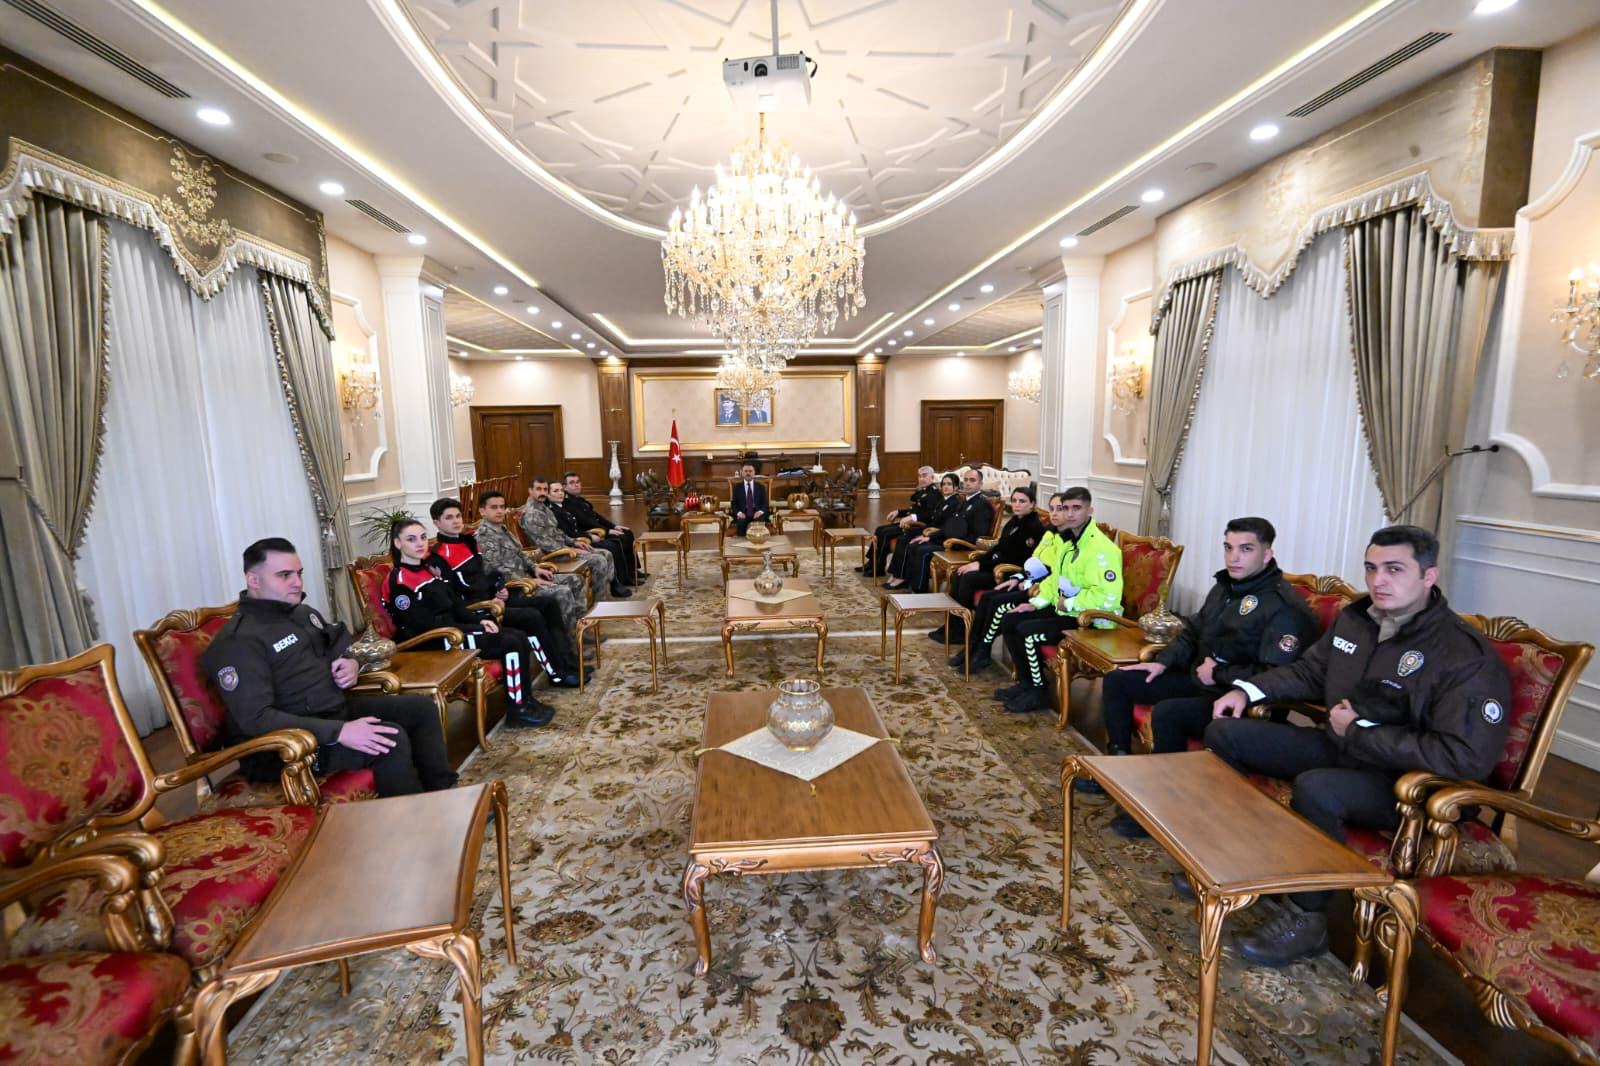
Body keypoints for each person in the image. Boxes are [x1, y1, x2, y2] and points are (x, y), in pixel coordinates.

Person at [1202, 525, 1512, 967]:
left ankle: (1307, 921)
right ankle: (1240, 861)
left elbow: (1465, 757)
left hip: (1408, 785)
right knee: (1225, 734)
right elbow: (1310, 672)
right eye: (1371, 568)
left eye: (1394, 569)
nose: (1378, 580)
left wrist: (1360, 734)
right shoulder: (1357, 618)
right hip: (1345, 747)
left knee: (1317, 788)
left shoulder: (1464, 655)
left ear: (1428, 575)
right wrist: (1247, 690)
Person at [1091, 517, 1320, 835]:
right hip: (1201, 680)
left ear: (1267, 554)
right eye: (1228, 547)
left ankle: (1161, 807)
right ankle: (1118, 767)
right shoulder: (1226, 586)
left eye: (1245, 549)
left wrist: (1221, 673)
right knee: (1120, 680)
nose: (1233, 557)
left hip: (1236, 702)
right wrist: (1163, 662)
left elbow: (1277, 676)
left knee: (1170, 713)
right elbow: (1192, 631)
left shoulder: (1284, 608)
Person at [202, 537, 457, 797]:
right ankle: (411, 815)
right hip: (285, 747)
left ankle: (443, 792)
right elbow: (256, 719)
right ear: (254, 580)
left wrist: (350, 662)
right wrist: (339, 732)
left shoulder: (301, 613)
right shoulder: (239, 641)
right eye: (284, 575)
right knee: (388, 740)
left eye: (299, 573)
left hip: (330, 711)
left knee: (421, 708)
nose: (297, 582)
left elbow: (338, 640)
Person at [385, 518, 556, 728]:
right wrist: (475, 628)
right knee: (509, 642)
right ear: (398, 543)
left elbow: (455, 604)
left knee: (518, 635)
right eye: (411, 539)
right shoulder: (400, 582)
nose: (420, 543)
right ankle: (517, 710)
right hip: (435, 640)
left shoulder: (428, 569)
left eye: (422, 537)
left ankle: (526, 700)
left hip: (452, 629)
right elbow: (424, 626)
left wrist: (480, 620)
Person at [989, 487, 1122, 714]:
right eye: (1065, 508)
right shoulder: (1068, 542)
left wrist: (1069, 604)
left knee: (1028, 633)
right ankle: (1026, 683)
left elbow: (1108, 598)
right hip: (1066, 610)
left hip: (1090, 620)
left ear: (1090, 511)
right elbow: (1054, 580)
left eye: (1076, 508)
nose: (1070, 514)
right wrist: (1035, 603)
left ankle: (1039, 691)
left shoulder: (1102, 549)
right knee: (1010, 621)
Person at [430, 497, 580, 687]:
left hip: (493, 601)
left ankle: (567, 662)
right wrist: (489, 602)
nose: (456, 521)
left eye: (458, 516)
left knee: (548, 603)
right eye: (449, 518)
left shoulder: (468, 542)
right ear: (436, 522)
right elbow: (455, 595)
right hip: (477, 610)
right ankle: (557, 673)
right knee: (531, 616)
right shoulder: (438, 556)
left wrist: (497, 589)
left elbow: (485, 575)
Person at [931, 486, 1043, 642]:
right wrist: (978, 562)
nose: (1017, 504)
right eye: (1014, 500)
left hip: (1009, 574)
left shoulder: (1034, 528)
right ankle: (953, 626)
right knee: (960, 573)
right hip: (996, 566)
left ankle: (960, 631)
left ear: (1032, 504)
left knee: (969, 579)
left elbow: (1017, 559)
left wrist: (982, 566)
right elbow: (998, 548)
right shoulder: (1014, 521)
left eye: (1022, 501)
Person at [473, 489, 585, 630]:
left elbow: (520, 554)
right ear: (482, 511)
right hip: (516, 588)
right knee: (562, 592)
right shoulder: (483, 537)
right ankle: (568, 637)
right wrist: (530, 581)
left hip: (528, 577)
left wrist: (535, 568)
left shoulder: (502, 529)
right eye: (494, 507)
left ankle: (579, 627)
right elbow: (494, 571)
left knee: (576, 579)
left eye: (502, 507)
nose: (500, 511)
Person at [888, 467, 993, 593]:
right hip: (950, 538)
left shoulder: (982, 505)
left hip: (962, 545)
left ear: (980, 484)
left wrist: (952, 540)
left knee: (922, 550)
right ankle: (911, 584)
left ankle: (919, 590)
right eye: (965, 480)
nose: (968, 483)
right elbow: (949, 527)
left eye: (972, 480)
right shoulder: (964, 501)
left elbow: (978, 536)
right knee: (916, 544)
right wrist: (930, 537)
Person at [520, 476, 627, 598]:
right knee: (598, 560)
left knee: (606, 553)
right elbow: (545, 544)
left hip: (562, 549)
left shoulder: (543, 508)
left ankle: (603, 595)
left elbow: (558, 533)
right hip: (552, 556)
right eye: (539, 489)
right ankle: (599, 601)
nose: (542, 493)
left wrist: (574, 542)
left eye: (545, 489)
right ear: (530, 491)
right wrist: (572, 549)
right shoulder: (532, 514)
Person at [548, 481, 636, 589]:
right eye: (556, 491)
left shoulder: (563, 506)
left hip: (581, 538)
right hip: (575, 543)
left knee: (618, 540)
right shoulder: (552, 511)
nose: (560, 493)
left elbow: (593, 517)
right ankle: (617, 583)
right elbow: (568, 532)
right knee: (612, 546)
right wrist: (589, 536)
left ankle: (627, 576)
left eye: (561, 490)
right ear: (548, 494)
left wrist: (611, 527)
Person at [862, 466, 940, 577]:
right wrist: (898, 512)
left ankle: (878, 567)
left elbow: (929, 515)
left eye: (924, 476)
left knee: (885, 532)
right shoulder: (923, 491)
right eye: (919, 476)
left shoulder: (934, 494)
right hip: (911, 522)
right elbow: (914, 510)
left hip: (919, 526)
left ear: (932, 477)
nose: (921, 479)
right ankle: (872, 563)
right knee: (880, 529)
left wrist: (912, 517)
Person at [886, 473, 958, 584]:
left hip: (937, 534)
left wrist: (927, 535)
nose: (946, 487)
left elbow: (946, 526)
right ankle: (897, 574)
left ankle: (901, 577)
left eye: (949, 484)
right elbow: (932, 518)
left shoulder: (955, 503)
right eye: (944, 484)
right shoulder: (943, 500)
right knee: (904, 536)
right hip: (930, 528)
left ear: (956, 487)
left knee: (908, 542)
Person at [730, 461, 769, 536]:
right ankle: (742, 541)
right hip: (743, 513)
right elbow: (734, 504)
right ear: (742, 472)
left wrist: (760, 512)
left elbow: (765, 504)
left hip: (757, 513)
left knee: (759, 522)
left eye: (750, 471)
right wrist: (739, 513)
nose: (748, 473)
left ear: (754, 472)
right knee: (741, 523)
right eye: (746, 471)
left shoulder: (761, 487)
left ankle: (758, 541)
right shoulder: (737, 487)